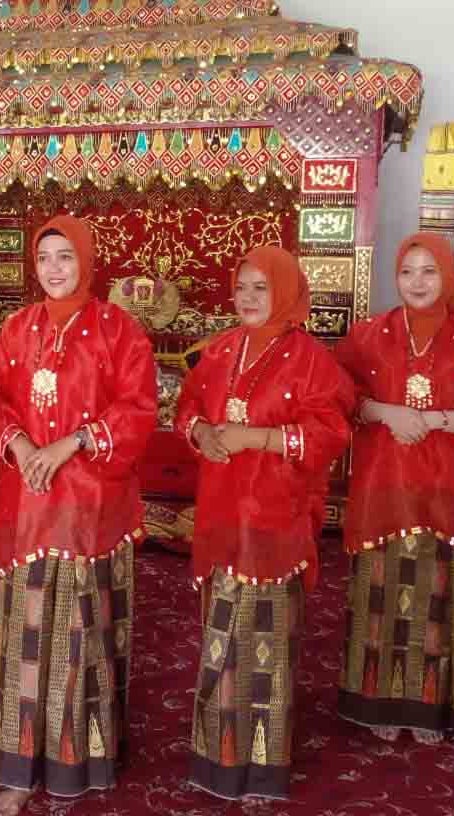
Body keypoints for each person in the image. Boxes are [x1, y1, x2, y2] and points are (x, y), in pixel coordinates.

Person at [0, 215, 158, 816]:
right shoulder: (16, 328)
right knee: (26, 637)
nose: (54, 268)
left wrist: (73, 443)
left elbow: (137, 410)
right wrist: (24, 446)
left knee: (82, 632)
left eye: (65, 257)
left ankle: (81, 760)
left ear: (86, 261)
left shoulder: (118, 330)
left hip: (89, 508)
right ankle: (18, 767)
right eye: (45, 258)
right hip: (28, 504)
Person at [174, 247, 353, 800]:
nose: (249, 298)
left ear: (285, 292)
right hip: (223, 517)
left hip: (277, 519)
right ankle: (215, 759)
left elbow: (330, 436)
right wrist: (202, 433)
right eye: (242, 287)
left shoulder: (310, 360)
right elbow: (188, 408)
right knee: (220, 638)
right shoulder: (221, 349)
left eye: (262, 288)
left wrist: (257, 438)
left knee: (268, 648)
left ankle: (262, 770)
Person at [334, 233, 454, 743]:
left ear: (447, 276)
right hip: (385, 487)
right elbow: (339, 398)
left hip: (448, 489)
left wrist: (437, 419)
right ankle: (380, 705)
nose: (417, 282)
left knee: (443, 599)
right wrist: (387, 412)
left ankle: (438, 708)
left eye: (428, 271)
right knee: (382, 596)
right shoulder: (368, 336)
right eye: (408, 271)